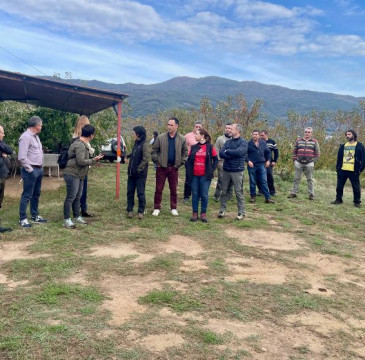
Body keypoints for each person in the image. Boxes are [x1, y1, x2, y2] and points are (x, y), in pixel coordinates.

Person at [63, 125, 103, 228]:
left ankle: (77, 216)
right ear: (91, 135)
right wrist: (94, 160)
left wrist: (94, 159)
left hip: (79, 174)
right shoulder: (80, 145)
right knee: (71, 197)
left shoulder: (82, 143)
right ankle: (66, 219)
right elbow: (81, 161)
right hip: (73, 173)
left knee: (78, 196)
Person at [151, 117, 188, 216]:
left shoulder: (182, 139)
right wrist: (157, 162)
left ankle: (173, 207)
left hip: (174, 168)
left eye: (171, 125)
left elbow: (185, 153)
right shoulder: (160, 137)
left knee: (174, 189)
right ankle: (157, 207)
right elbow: (154, 151)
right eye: (168, 124)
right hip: (161, 167)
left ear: (176, 126)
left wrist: (180, 163)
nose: (169, 127)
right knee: (158, 189)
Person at [18, 116, 47, 228]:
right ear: (37, 126)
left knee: (36, 194)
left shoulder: (36, 137)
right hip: (31, 170)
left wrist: (41, 168)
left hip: (39, 169)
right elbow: (21, 157)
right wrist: (30, 170)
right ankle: (23, 218)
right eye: (41, 125)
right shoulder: (25, 137)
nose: (41, 127)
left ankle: (35, 215)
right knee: (27, 195)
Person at [186, 128, 218, 222]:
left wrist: (211, 170)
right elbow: (189, 160)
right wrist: (188, 170)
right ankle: (194, 213)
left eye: (197, 134)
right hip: (194, 175)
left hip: (205, 176)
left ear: (202, 136)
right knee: (195, 194)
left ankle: (203, 213)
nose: (195, 135)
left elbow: (216, 159)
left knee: (204, 194)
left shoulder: (210, 147)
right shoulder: (193, 147)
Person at [218, 124, 248, 220]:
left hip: (237, 170)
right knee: (224, 190)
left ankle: (241, 212)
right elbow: (221, 153)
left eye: (232, 128)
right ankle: (222, 210)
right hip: (226, 169)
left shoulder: (243, 142)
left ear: (238, 131)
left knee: (238, 192)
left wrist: (228, 151)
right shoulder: (228, 142)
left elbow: (240, 152)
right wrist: (231, 153)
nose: (230, 130)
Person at [331, 130, 365, 208]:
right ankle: (338, 199)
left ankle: (357, 202)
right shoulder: (343, 146)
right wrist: (338, 168)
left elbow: (363, 158)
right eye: (346, 134)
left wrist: (361, 169)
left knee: (356, 186)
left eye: (349, 134)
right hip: (342, 169)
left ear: (354, 135)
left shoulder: (359, 146)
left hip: (354, 170)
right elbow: (339, 158)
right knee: (339, 186)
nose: (347, 135)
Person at [288, 127, 320, 200]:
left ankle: (311, 194)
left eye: (309, 132)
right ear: (304, 132)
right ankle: (294, 193)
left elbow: (317, 153)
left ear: (311, 133)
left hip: (309, 163)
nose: (307, 133)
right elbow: (294, 151)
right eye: (306, 132)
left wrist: (313, 161)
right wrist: (295, 160)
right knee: (296, 178)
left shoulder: (314, 141)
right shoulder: (298, 141)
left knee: (310, 179)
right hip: (298, 162)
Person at [73, 115, 94, 217]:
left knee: (81, 190)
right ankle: (80, 210)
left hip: (82, 167)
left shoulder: (75, 137)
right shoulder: (80, 140)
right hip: (80, 167)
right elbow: (89, 151)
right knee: (79, 190)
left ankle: (82, 209)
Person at [127, 126, 150, 219]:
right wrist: (127, 155)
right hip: (131, 173)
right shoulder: (136, 143)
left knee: (140, 193)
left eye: (134, 133)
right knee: (130, 192)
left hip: (140, 174)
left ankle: (141, 211)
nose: (133, 134)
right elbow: (134, 152)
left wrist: (138, 169)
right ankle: (130, 210)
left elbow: (146, 158)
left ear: (138, 134)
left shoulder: (144, 144)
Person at [247, 130, 275, 204]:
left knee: (264, 181)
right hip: (252, 165)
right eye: (253, 134)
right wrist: (248, 161)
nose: (254, 136)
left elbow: (268, 152)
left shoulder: (263, 143)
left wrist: (268, 160)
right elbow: (244, 154)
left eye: (256, 134)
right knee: (253, 181)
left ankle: (267, 198)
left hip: (262, 164)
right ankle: (253, 196)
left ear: (259, 135)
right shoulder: (248, 144)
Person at [214, 123, 233, 201]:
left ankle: (229, 195)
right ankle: (217, 195)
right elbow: (216, 149)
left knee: (231, 179)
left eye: (229, 128)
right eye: (226, 128)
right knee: (221, 179)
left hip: (232, 162)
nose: (227, 129)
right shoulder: (220, 139)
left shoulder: (234, 139)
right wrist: (218, 161)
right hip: (222, 162)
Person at [183, 121, 202, 202]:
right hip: (190, 160)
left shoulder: (203, 136)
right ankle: (186, 196)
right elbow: (182, 146)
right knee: (188, 178)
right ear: (193, 127)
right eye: (196, 126)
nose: (197, 128)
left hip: (201, 161)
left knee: (200, 179)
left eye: (199, 127)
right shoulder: (187, 135)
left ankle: (199, 195)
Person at [0, 125, 13, 232]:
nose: (3, 135)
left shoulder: (1, 143)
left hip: (2, 175)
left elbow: (9, 150)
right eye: (2, 133)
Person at [259, 130, 279, 196]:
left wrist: (274, 161)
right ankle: (261, 190)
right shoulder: (258, 142)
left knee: (269, 176)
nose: (261, 137)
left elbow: (276, 152)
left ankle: (272, 191)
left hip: (269, 161)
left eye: (263, 135)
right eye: (260, 135)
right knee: (259, 177)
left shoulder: (272, 142)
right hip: (260, 161)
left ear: (266, 135)